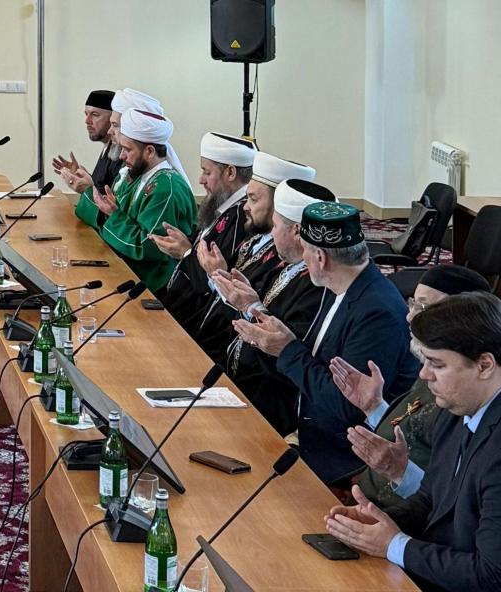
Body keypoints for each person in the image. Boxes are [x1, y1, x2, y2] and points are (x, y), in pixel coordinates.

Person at [325, 292, 501, 592]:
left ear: (484, 365)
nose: (423, 375)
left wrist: (395, 545)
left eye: (437, 364)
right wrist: (375, 523)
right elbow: (431, 499)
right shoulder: (456, 410)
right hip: (431, 586)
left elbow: (491, 576)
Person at [233, 200, 417, 484]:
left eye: (305, 250)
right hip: (304, 428)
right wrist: (271, 340)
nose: (302, 259)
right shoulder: (340, 287)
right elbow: (314, 361)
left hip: (340, 457)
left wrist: (286, 349)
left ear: (320, 257)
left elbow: (348, 406)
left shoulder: (377, 314)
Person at [332, 265, 494, 509]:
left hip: (395, 515)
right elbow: (409, 429)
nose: (410, 317)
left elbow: (449, 503)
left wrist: (399, 471)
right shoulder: (434, 368)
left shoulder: (462, 395)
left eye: (424, 308)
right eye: (413, 304)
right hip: (366, 498)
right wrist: (374, 406)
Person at [212, 178, 335, 433]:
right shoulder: (286, 266)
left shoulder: (319, 286)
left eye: (276, 225)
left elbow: (289, 358)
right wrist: (241, 296)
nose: (272, 233)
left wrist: (251, 306)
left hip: (271, 408)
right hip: (239, 380)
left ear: (297, 231)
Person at [181, 151, 317, 360]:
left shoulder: (298, 268)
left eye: (253, 198)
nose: (245, 206)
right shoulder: (256, 240)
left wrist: (222, 281)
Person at [73, 108, 196, 292]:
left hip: (153, 286)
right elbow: (116, 217)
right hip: (124, 271)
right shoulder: (138, 176)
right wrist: (107, 210)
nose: (122, 156)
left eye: (127, 149)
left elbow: (147, 247)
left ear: (149, 151)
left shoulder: (165, 187)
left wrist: (112, 215)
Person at [151, 132, 257, 322]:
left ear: (230, 173)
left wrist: (185, 252)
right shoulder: (224, 204)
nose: (201, 180)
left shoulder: (242, 216)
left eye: (207, 172)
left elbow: (213, 281)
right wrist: (183, 243)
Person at [52, 89, 119, 196]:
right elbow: (101, 186)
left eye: (95, 115)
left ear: (112, 118)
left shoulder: (118, 154)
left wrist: (86, 189)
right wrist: (80, 175)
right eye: (86, 114)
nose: (87, 121)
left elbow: (111, 200)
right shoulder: (107, 148)